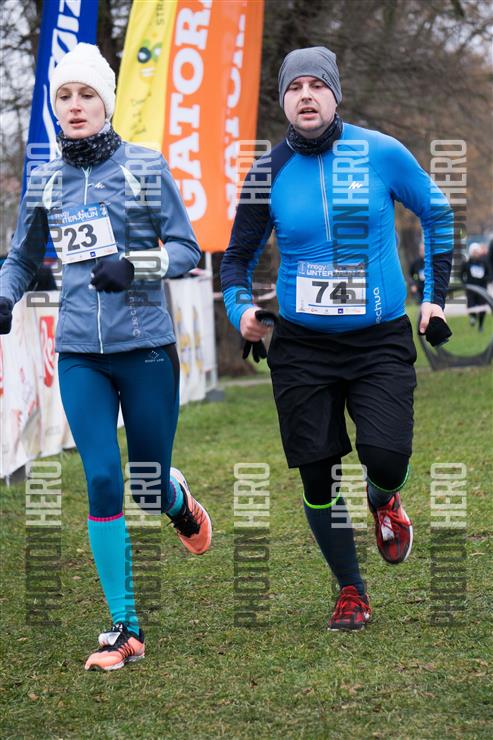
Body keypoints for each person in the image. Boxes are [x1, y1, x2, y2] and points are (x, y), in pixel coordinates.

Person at [221, 47, 453, 630]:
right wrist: (240, 310)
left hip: (378, 340)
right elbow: (235, 260)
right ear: (283, 100)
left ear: (335, 94)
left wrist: (434, 296)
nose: (305, 95)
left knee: (387, 456)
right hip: (302, 346)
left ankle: (383, 498)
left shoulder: (380, 152)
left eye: (317, 85)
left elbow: (438, 212)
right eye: (293, 87)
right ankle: (351, 588)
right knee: (317, 473)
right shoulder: (267, 173)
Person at [0, 44, 212, 670]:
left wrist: (135, 265)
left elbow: (187, 248)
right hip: (78, 354)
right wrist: (6, 296)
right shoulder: (44, 180)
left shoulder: (144, 166)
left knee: (145, 483)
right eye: (64, 96)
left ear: (106, 102)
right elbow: (20, 258)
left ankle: (174, 498)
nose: (74, 106)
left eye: (86, 94)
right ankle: (126, 627)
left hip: (145, 348)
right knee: (100, 478)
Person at [461, 242, 490, 331]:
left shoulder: (484, 262)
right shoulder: (466, 263)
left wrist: (486, 279)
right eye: (474, 251)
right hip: (471, 289)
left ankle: (481, 325)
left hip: (482, 289)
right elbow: (461, 275)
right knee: (471, 306)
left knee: (482, 308)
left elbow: (489, 274)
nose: (476, 253)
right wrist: (465, 284)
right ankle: (473, 318)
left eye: (477, 251)